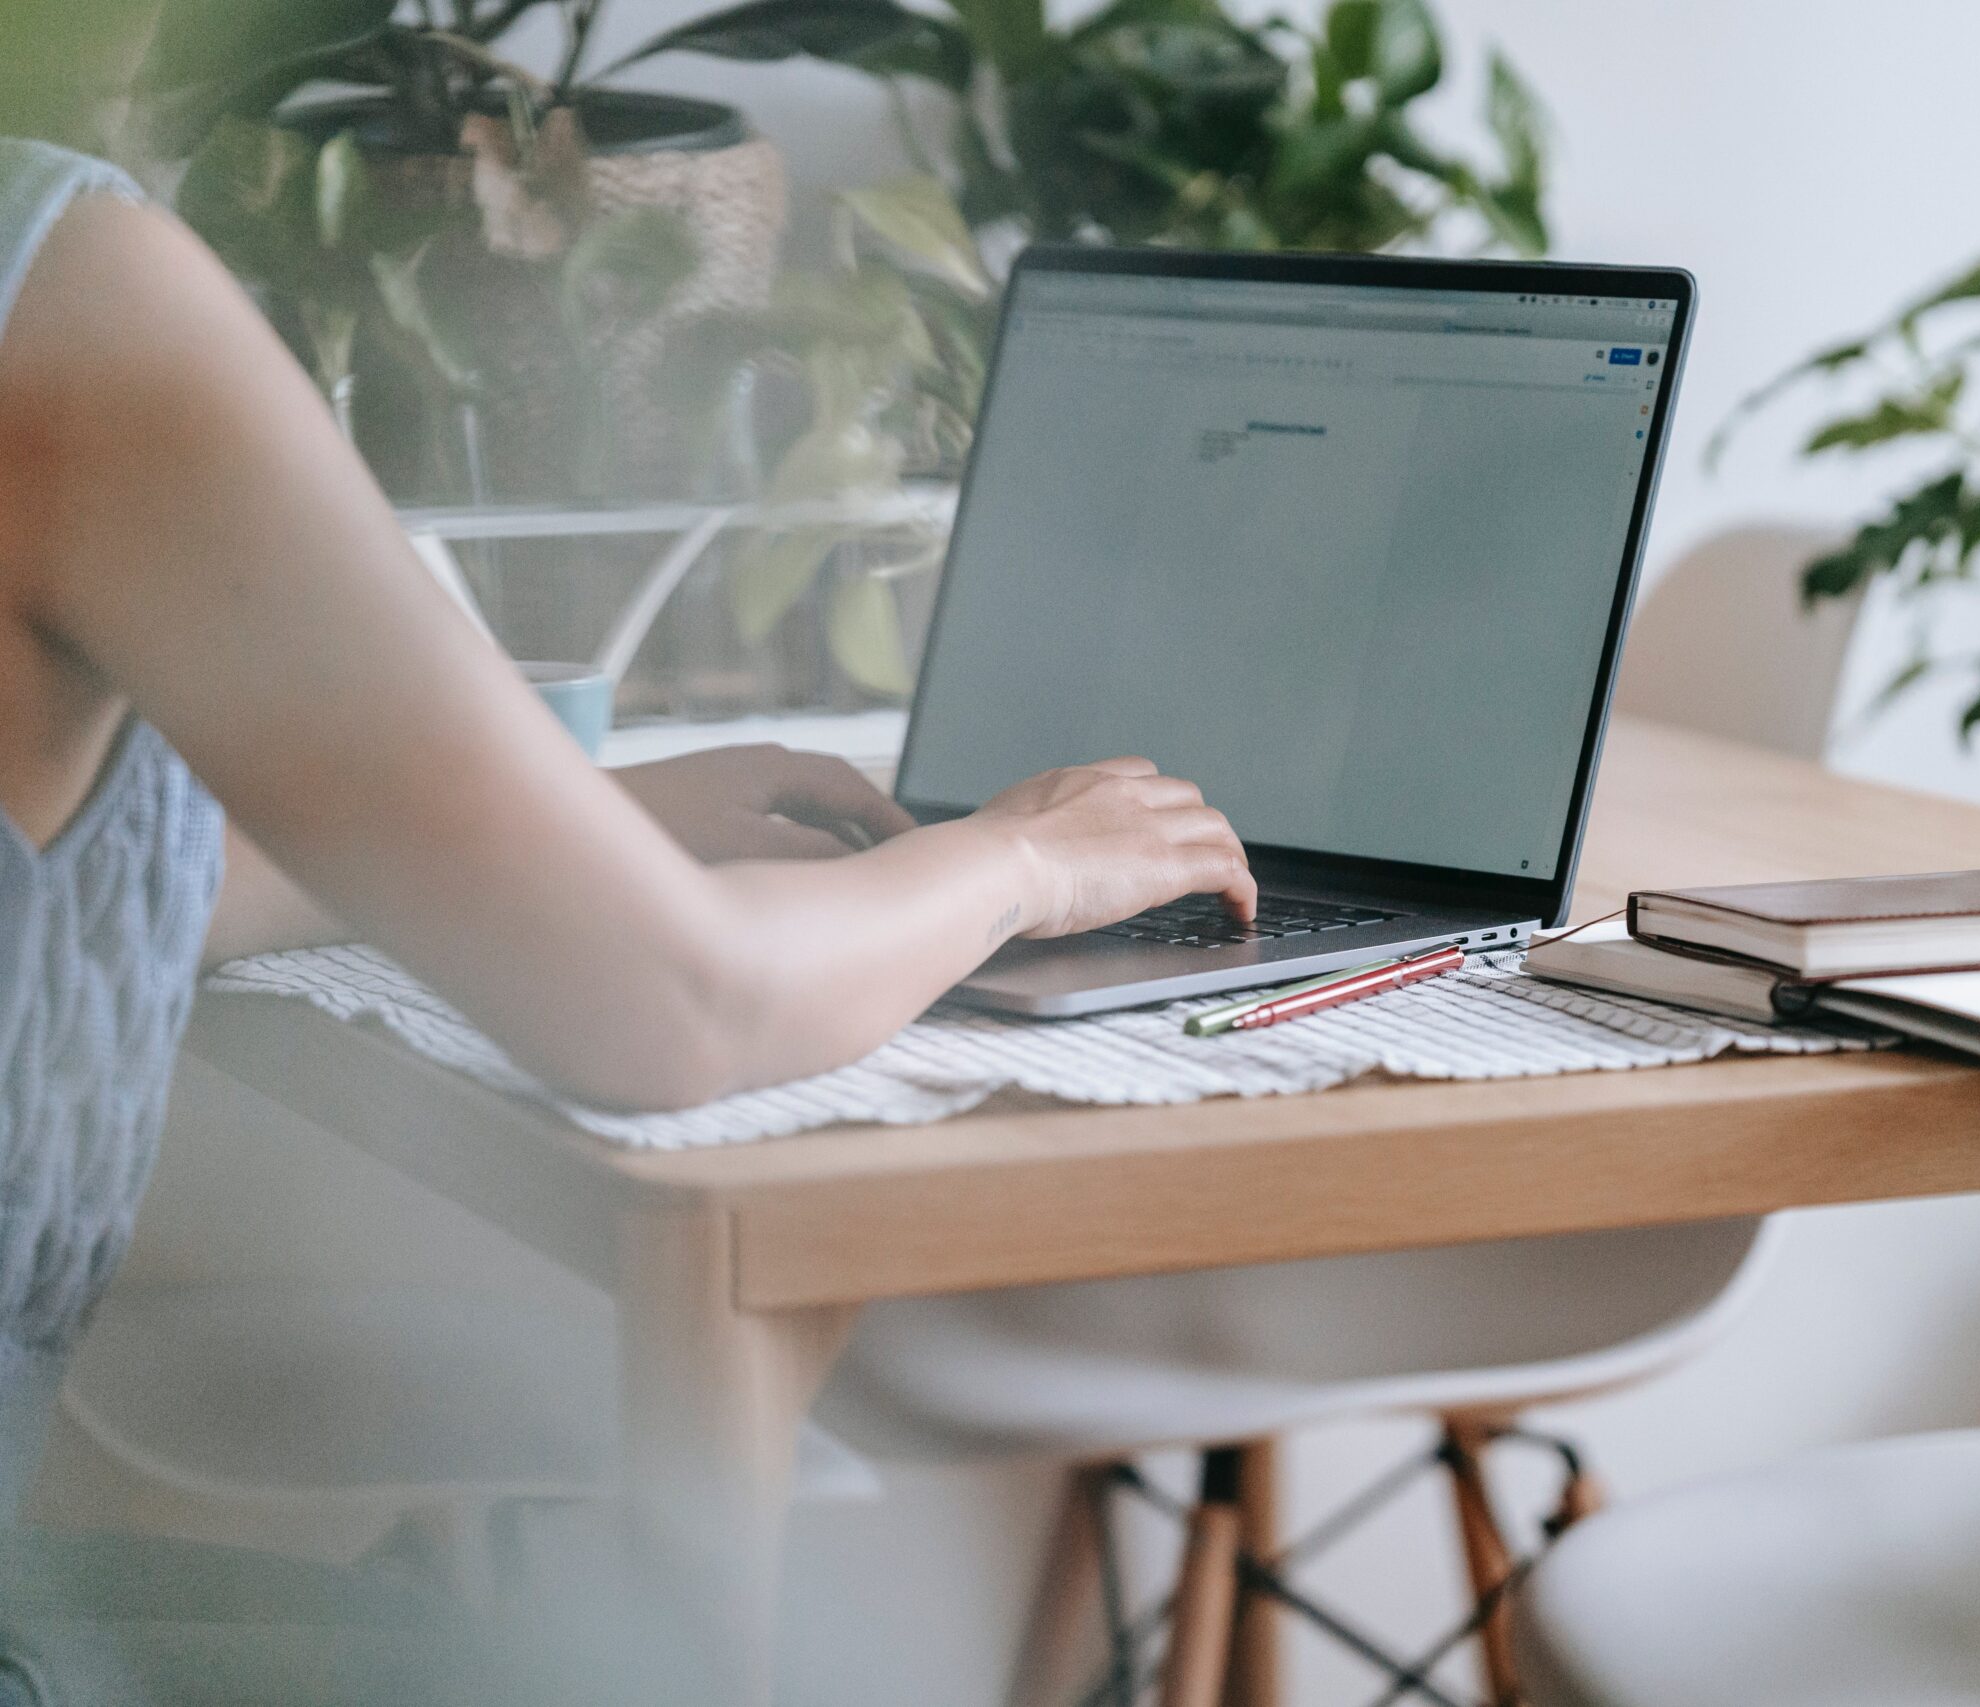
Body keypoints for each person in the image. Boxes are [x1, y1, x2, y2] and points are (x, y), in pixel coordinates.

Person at [0, 113, 1252, 1707]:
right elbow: (682, 1013)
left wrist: (553, 838)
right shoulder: (65, 284)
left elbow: (76, 913)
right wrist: (1025, 862)